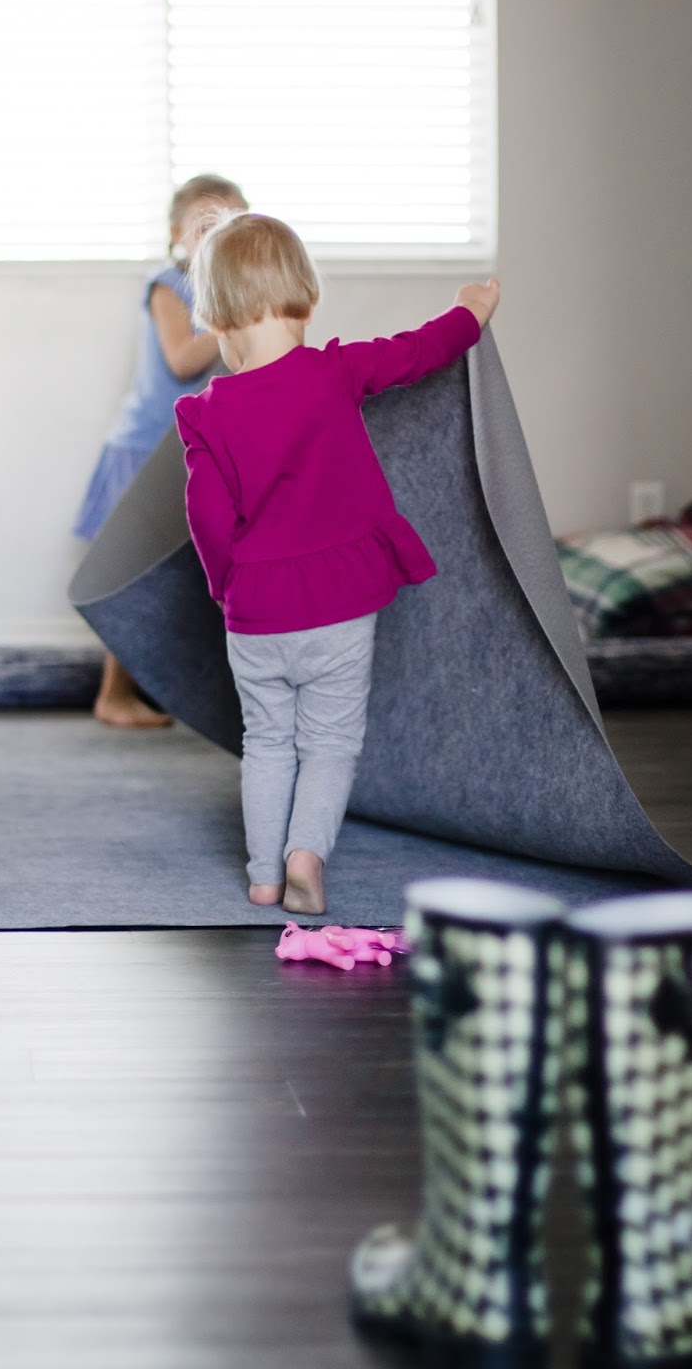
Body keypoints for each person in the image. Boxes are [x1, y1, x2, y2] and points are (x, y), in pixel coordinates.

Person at [175, 211, 499, 914]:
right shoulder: (337, 371)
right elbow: (419, 351)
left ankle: (262, 876)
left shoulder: (206, 413)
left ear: (223, 328)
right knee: (328, 744)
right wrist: (469, 313)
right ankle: (305, 858)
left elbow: (206, 518)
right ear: (305, 303)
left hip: (256, 615)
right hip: (341, 608)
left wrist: (226, 588)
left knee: (266, 742)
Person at [74, 173, 249, 728]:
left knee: (194, 568)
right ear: (177, 233)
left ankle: (174, 689)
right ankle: (113, 694)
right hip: (147, 447)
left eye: (232, 221)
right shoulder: (166, 286)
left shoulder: (236, 294)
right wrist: (235, 321)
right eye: (206, 222)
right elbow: (181, 360)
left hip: (192, 446)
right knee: (135, 572)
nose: (219, 231)